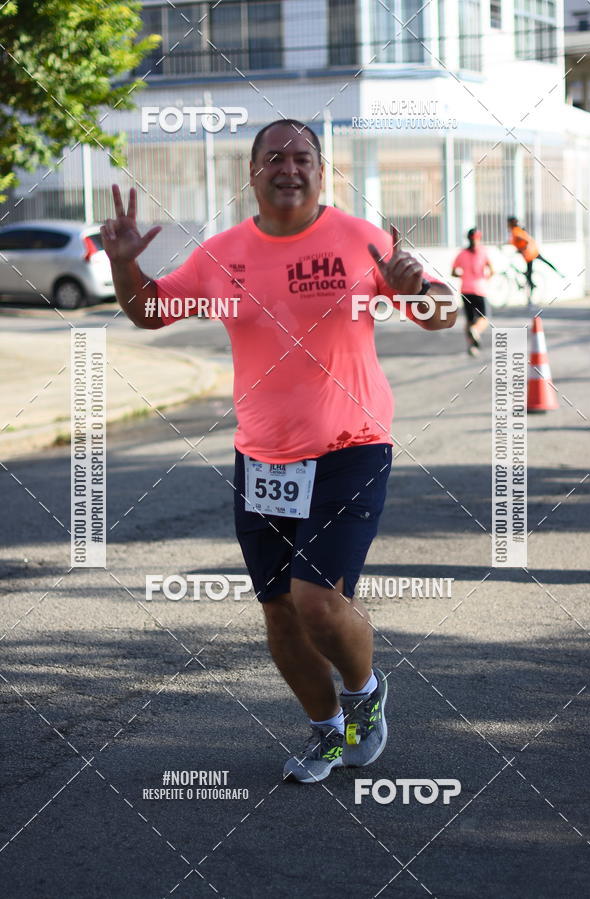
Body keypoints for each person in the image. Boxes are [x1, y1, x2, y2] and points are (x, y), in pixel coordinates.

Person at [101, 119, 456, 784]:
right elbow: (150, 310)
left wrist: (421, 290)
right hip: (263, 458)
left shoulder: (360, 238)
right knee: (280, 608)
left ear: (323, 172)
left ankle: (363, 693)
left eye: (302, 157)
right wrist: (125, 263)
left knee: (318, 599)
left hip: (351, 445)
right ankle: (325, 728)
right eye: (273, 158)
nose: (288, 168)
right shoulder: (222, 252)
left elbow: (441, 312)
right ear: (253, 173)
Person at [451, 228, 494, 357]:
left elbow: (453, 272)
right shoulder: (483, 252)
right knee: (484, 318)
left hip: (465, 290)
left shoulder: (462, 253)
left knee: (469, 319)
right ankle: (475, 330)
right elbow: (492, 270)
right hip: (479, 289)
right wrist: (485, 279)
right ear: (479, 238)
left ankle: (471, 347)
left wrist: (464, 277)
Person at [507, 216, 561, 298]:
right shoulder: (518, 230)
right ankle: (558, 272)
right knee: (543, 263)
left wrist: (522, 249)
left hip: (529, 254)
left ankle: (530, 295)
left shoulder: (515, 231)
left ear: (510, 223)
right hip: (533, 251)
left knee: (529, 275)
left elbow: (523, 240)